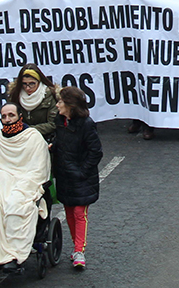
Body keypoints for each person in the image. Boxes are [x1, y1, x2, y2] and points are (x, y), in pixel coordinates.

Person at [0, 101, 53, 273]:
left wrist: (17, 182)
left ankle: (14, 256)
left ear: (20, 117)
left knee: (16, 204)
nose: (8, 119)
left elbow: (39, 170)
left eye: (11, 115)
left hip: (25, 187)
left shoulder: (33, 137)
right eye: (4, 116)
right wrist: (5, 178)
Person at [53, 86, 103, 270]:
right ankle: (76, 248)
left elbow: (95, 151)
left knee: (79, 213)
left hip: (80, 177)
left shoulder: (86, 124)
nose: (57, 105)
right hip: (65, 175)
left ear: (70, 106)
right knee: (69, 212)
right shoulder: (60, 122)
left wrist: (82, 172)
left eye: (60, 102)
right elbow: (61, 142)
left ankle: (79, 250)